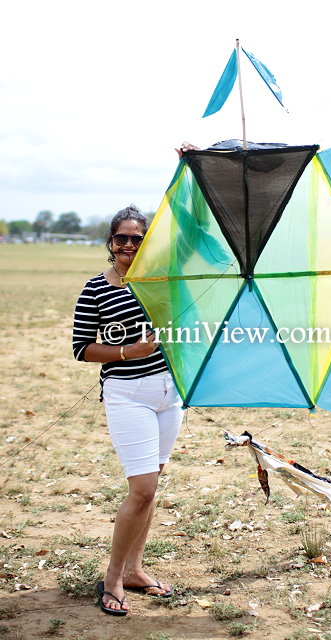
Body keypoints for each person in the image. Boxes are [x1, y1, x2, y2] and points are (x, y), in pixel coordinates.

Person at [72, 143, 197, 616]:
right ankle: (112, 579)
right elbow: (81, 348)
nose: (128, 246)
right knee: (141, 489)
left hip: (169, 394)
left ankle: (135, 569)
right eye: (121, 238)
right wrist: (130, 351)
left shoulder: (161, 278)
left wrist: (189, 171)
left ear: (147, 243)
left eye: (137, 239)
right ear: (110, 241)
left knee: (152, 487)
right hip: (127, 395)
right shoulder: (95, 288)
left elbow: (193, 232)